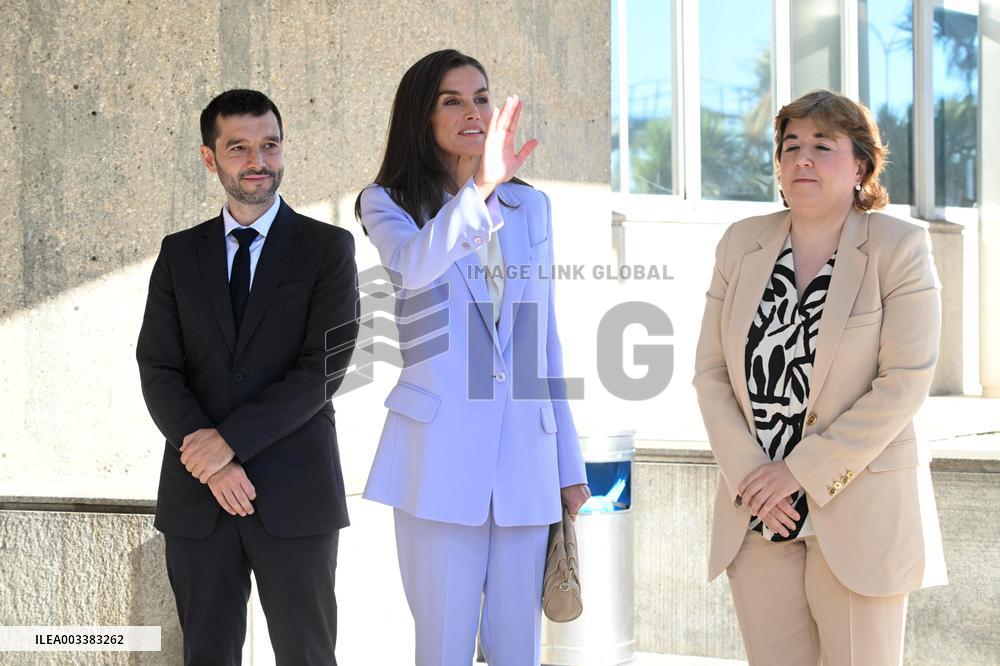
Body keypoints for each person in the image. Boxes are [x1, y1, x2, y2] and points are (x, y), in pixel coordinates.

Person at [693, 89, 947, 665]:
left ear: (860, 165)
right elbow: (710, 374)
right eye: (791, 146)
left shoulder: (899, 246)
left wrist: (798, 472)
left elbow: (904, 382)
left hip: (860, 510)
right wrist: (753, 477)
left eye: (822, 146)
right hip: (760, 512)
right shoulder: (740, 242)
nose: (802, 158)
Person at [355, 49, 590, 666]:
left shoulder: (531, 207)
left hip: (526, 460)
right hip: (437, 459)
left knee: (518, 649)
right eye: (452, 100)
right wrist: (481, 186)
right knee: (444, 645)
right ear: (421, 115)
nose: (473, 111)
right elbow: (412, 267)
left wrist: (568, 460)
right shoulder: (388, 202)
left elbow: (543, 337)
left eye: (481, 97)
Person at [136, 89, 359, 665]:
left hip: (295, 491)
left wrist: (228, 445)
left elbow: (324, 369)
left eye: (270, 145)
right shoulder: (179, 254)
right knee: (206, 655)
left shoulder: (326, 248)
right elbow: (158, 366)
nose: (258, 160)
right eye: (239, 147)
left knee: (307, 654)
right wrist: (207, 458)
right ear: (210, 159)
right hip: (198, 496)